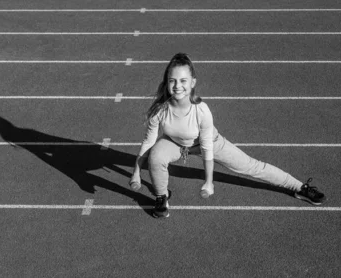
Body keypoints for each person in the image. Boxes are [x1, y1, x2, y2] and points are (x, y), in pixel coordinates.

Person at [129, 53, 326, 218]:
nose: (177, 86)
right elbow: (148, 141)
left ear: (193, 83)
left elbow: (206, 149)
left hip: (208, 143)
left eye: (183, 81)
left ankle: (300, 188)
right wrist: (137, 171)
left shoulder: (202, 111)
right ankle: (162, 197)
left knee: (251, 166)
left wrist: (208, 182)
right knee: (156, 156)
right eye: (172, 81)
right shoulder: (159, 110)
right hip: (175, 143)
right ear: (166, 83)